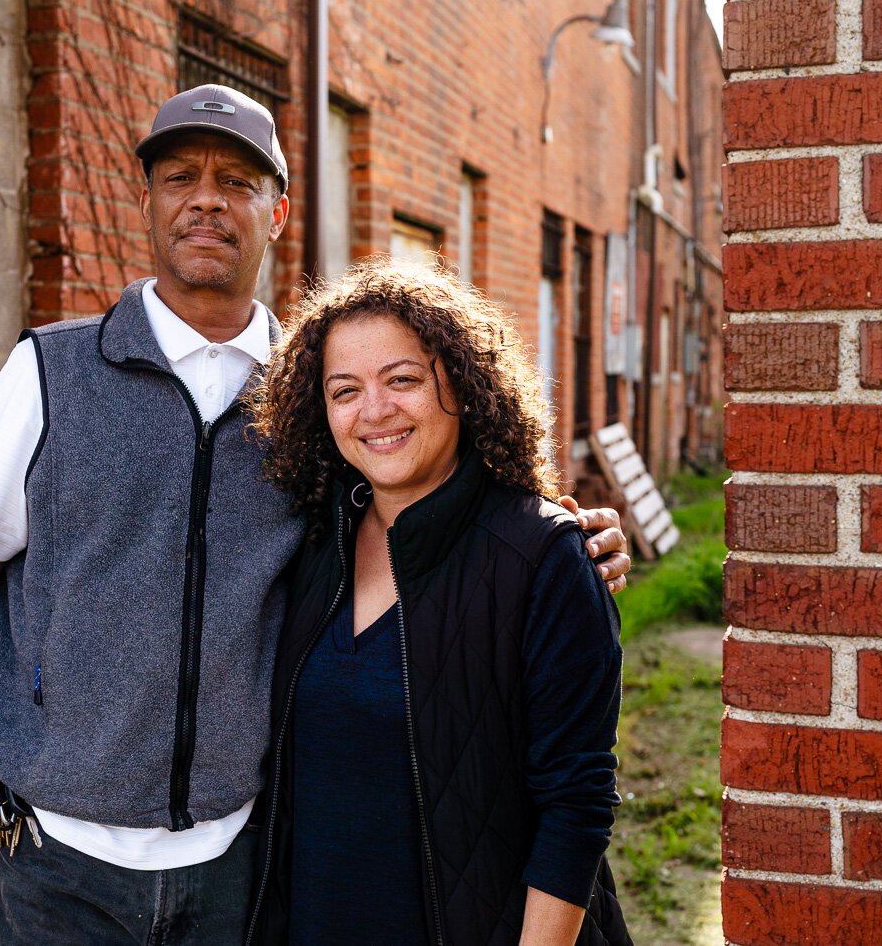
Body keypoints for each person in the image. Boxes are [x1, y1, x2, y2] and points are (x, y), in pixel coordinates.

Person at [0, 83, 632, 945]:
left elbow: (424, 487)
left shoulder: (311, 395)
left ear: (279, 210)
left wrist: (559, 532)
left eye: (238, 181)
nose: (207, 199)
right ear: (146, 199)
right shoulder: (50, 373)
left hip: (241, 862)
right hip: (58, 861)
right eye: (180, 176)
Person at [247, 260, 631, 946]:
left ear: (461, 382)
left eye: (403, 379)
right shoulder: (309, 545)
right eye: (344, 390)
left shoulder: (540, 557)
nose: (374, 410)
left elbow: (576, 806)